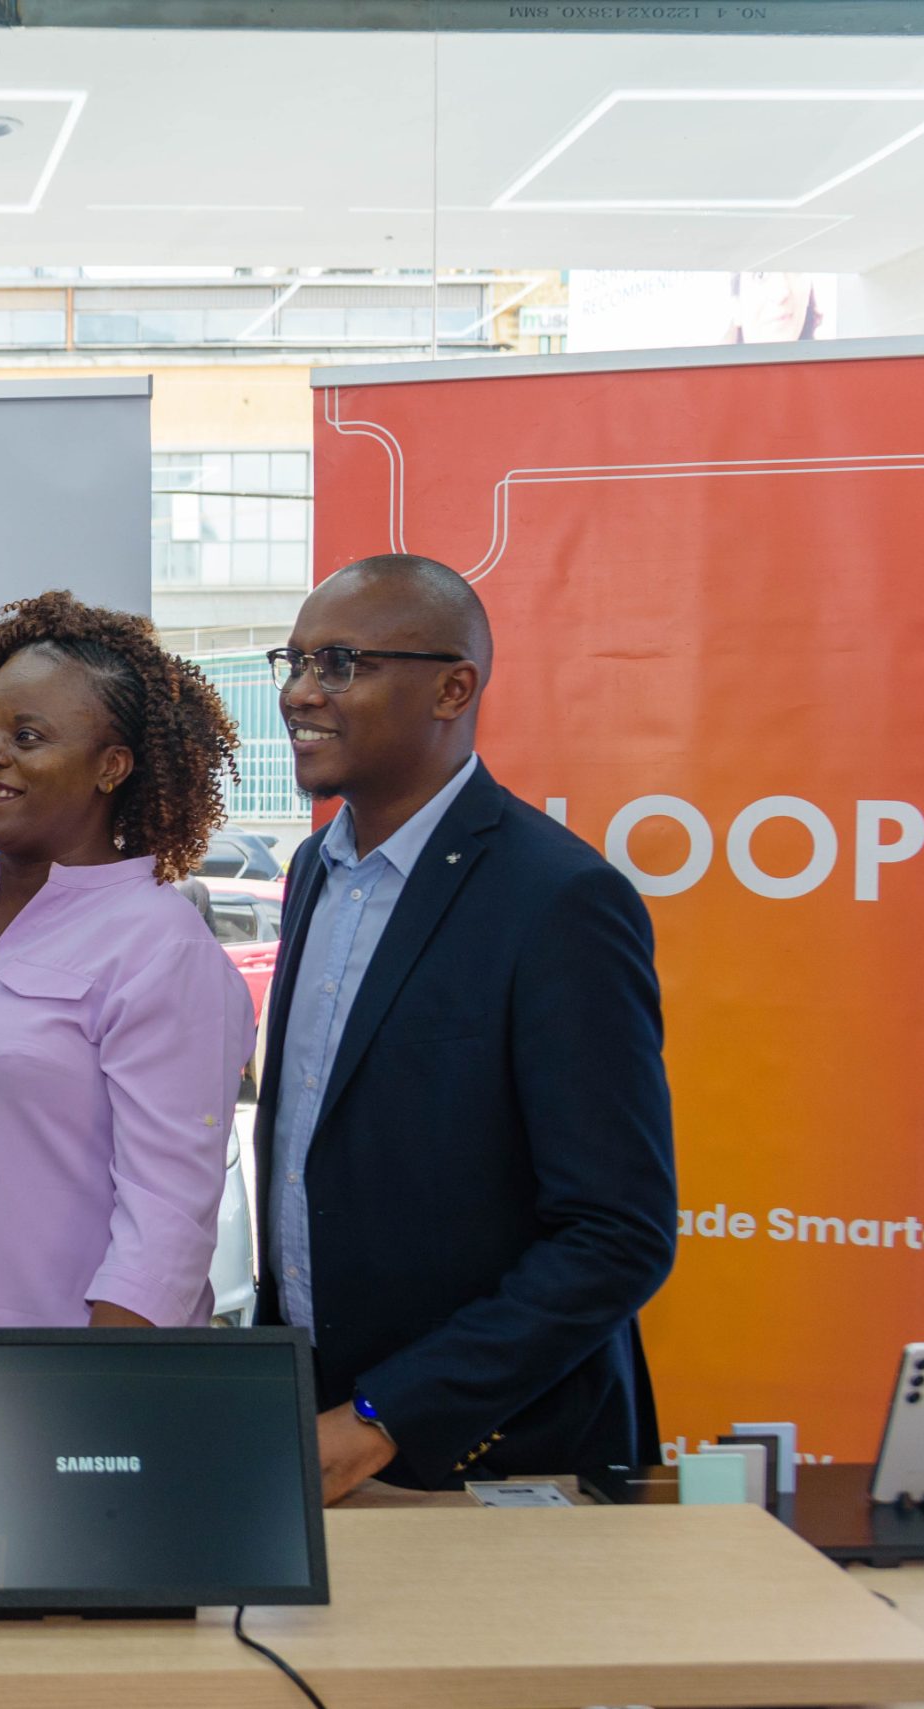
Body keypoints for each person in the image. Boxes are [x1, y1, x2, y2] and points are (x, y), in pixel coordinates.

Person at [256, 553, 675, 1502]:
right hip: (321, 1430)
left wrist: (381, 1419)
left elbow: (618, 1234)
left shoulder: (560, 899)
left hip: (502, 1452)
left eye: (340, 664)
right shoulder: (314, 872)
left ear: (453, 687)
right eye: (294, 661)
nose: (298, 693)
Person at [0, 593, 254, 1382]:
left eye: (26, 737)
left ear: (113, 766)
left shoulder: (160, 946)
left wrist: (85, 1400)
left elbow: (166, 1224)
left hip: (53, 1389)